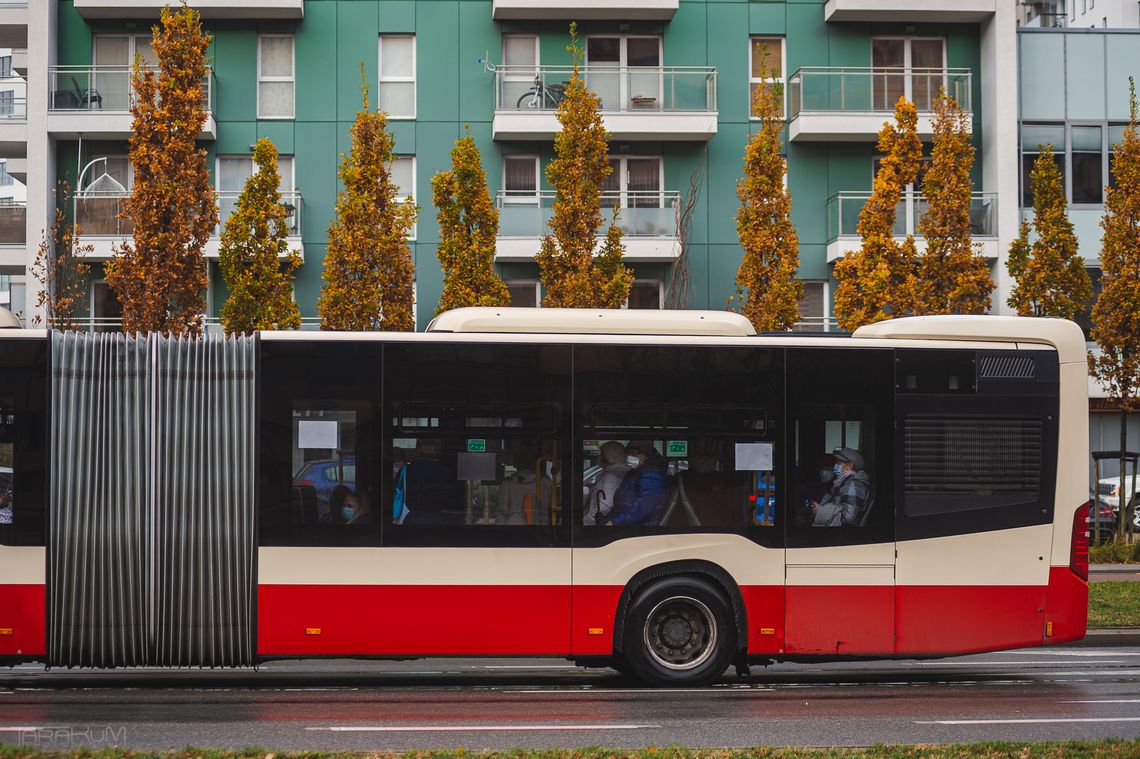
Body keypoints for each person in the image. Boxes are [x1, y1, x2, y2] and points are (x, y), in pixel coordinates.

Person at [607, 440, 669, 527]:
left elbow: (645, 506)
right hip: (626, 521)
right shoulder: (638, 471)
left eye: (634, 454)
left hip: (639, 527)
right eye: (628, 453)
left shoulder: (652, 475)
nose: (630, 457)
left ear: (645, 455)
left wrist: (615, 522)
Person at [403, 439, 464, 526]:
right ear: (438, 450)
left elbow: (397, 496)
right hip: (440, 520)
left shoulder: (406, 471)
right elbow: (453, 502)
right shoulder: (446, 472)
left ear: (418, 448)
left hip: (413, 519)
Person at [810, 447, 872, 527]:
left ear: (849, 466)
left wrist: (820, 512)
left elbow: (847, 518)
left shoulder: (853, 485)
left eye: (838, 463)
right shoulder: (842, 482)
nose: (835, 466)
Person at [496, 447, 552, 526]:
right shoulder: (545, 482)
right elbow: (546, 509)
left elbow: (502, 512)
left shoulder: (507, 484)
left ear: (516, 463)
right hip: (539, 528)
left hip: (512, 527)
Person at [583, 440, 629, 526]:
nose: (600, 457)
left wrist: (586, 521)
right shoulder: (622, 472)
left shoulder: (611, 477)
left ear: (610, 456)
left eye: (602, 454)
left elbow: (604, 508)